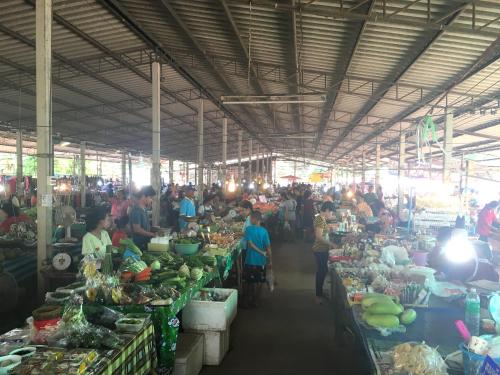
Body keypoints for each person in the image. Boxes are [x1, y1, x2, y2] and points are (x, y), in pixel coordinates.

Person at [243, 211, 272, 308]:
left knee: (248, 281)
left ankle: (247, 301)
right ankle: (256, 300)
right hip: (261, 261)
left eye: (251, 218)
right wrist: (270, 261)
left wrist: (261, 252)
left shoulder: (248, 229)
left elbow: (250, 244)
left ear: (256, 219)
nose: (250, 220)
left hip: (250, 260)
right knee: (259, 281)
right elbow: (268, 248)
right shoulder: (264, 231)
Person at [312, 201, 336, 304]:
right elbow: (319, 236)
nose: (331, 215)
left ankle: (320, 293)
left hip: (322, 249)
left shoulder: (321, 218)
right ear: (326, 210)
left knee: (323, 270)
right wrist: (332, 244)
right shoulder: (320, 220)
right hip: (320, 249)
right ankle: (318, 296)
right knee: (321, 272)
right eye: (331, 212)